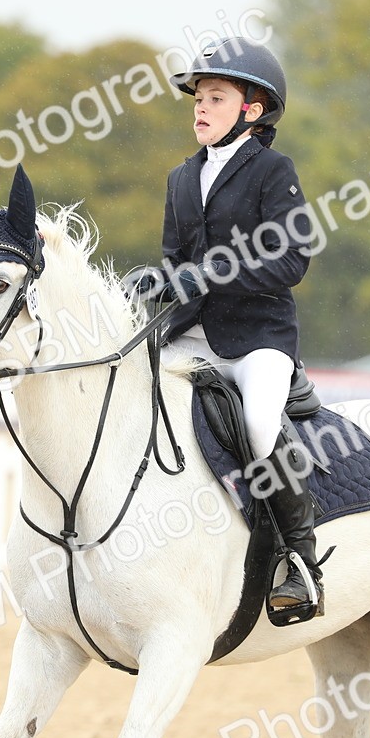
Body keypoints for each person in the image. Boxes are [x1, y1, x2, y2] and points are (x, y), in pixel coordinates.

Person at [134, 37, 323, 617]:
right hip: (191, 335)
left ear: (252, 109)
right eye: (197, 98)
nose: (200, 107)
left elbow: (294, 259)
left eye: (215, 97)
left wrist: (217, 272)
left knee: (261, 423)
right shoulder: (179, 178)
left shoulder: (272, 170)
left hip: (257, 339)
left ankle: (300, 559)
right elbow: (176, 261)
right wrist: (155, 283)